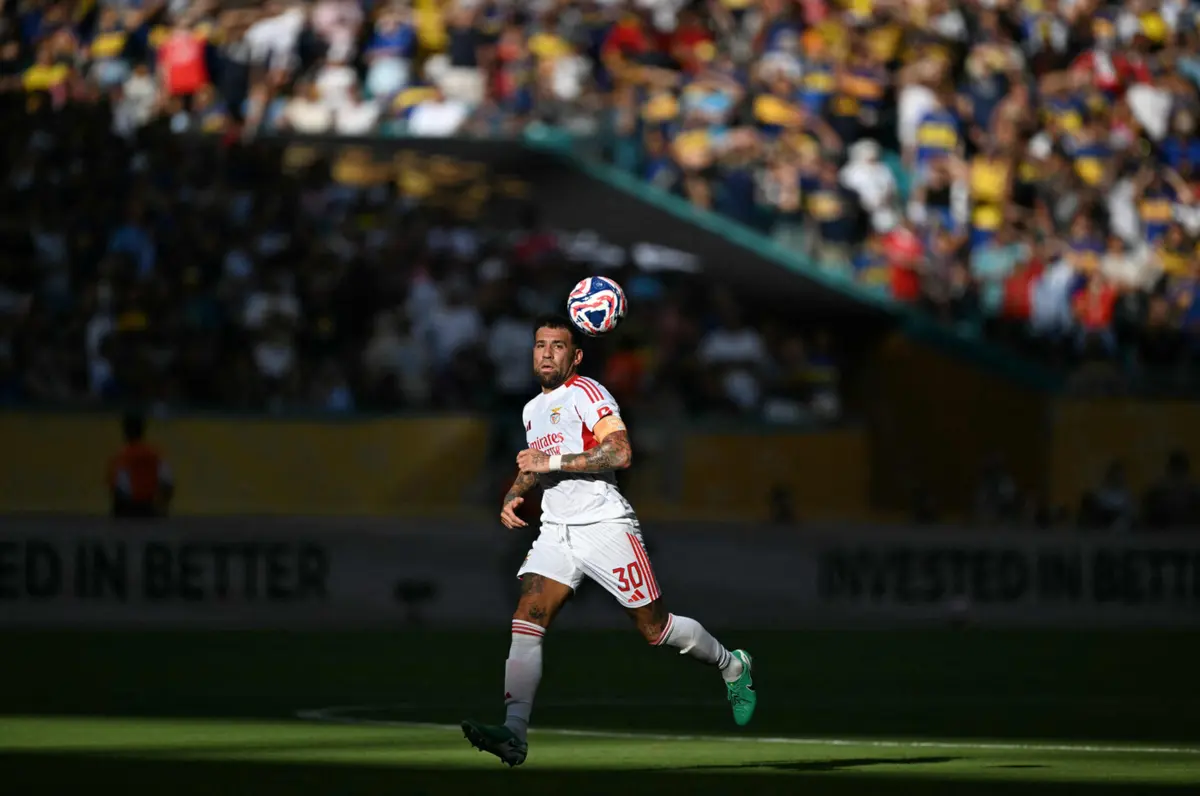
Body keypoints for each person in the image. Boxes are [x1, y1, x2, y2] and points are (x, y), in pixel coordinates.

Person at [461, 315, 755, 767]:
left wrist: (549, 460)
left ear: (575, 356)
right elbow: (535, 464)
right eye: (540, 344)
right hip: (556, 530)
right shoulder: (530, 409)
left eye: (557, 346)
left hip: (604, 524)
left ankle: (731, 664)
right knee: (528, 617)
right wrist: (515, 492)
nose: (545, 353)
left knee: (656, 629)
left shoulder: (588, 392)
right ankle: (514, 733)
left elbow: (620, 451)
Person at [106, 413, 174, 518]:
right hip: (149, 509)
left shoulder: (122, 457)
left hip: (127, 511)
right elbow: (168, 483)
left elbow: (118, 487)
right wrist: (163, 508)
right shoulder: (155, 455)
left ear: (125, 432)